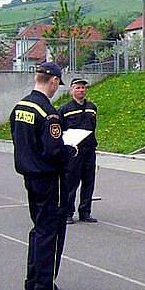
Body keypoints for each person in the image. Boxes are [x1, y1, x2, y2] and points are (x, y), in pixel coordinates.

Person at [10, 61, 77, 290]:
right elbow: (53, 150)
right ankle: (45, 285)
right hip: (50, 179)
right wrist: (70, 151)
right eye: (58, 84)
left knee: (38, 228)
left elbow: (18, 140)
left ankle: (33, 279)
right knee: (51, 230)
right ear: (54, 81)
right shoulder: (48, 112)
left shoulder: (21, 107)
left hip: (30, 175)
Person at [59, 77, 98, 225]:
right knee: (70, 182)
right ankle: (68, 212)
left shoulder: (92, 107)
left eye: (83, 88)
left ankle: (85, 212)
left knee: (89, 182)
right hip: (73, 152)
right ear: (71, 90)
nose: (81, 90)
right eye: (78, 88)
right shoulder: (65, 109)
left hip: (89, 150)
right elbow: (61, 131)